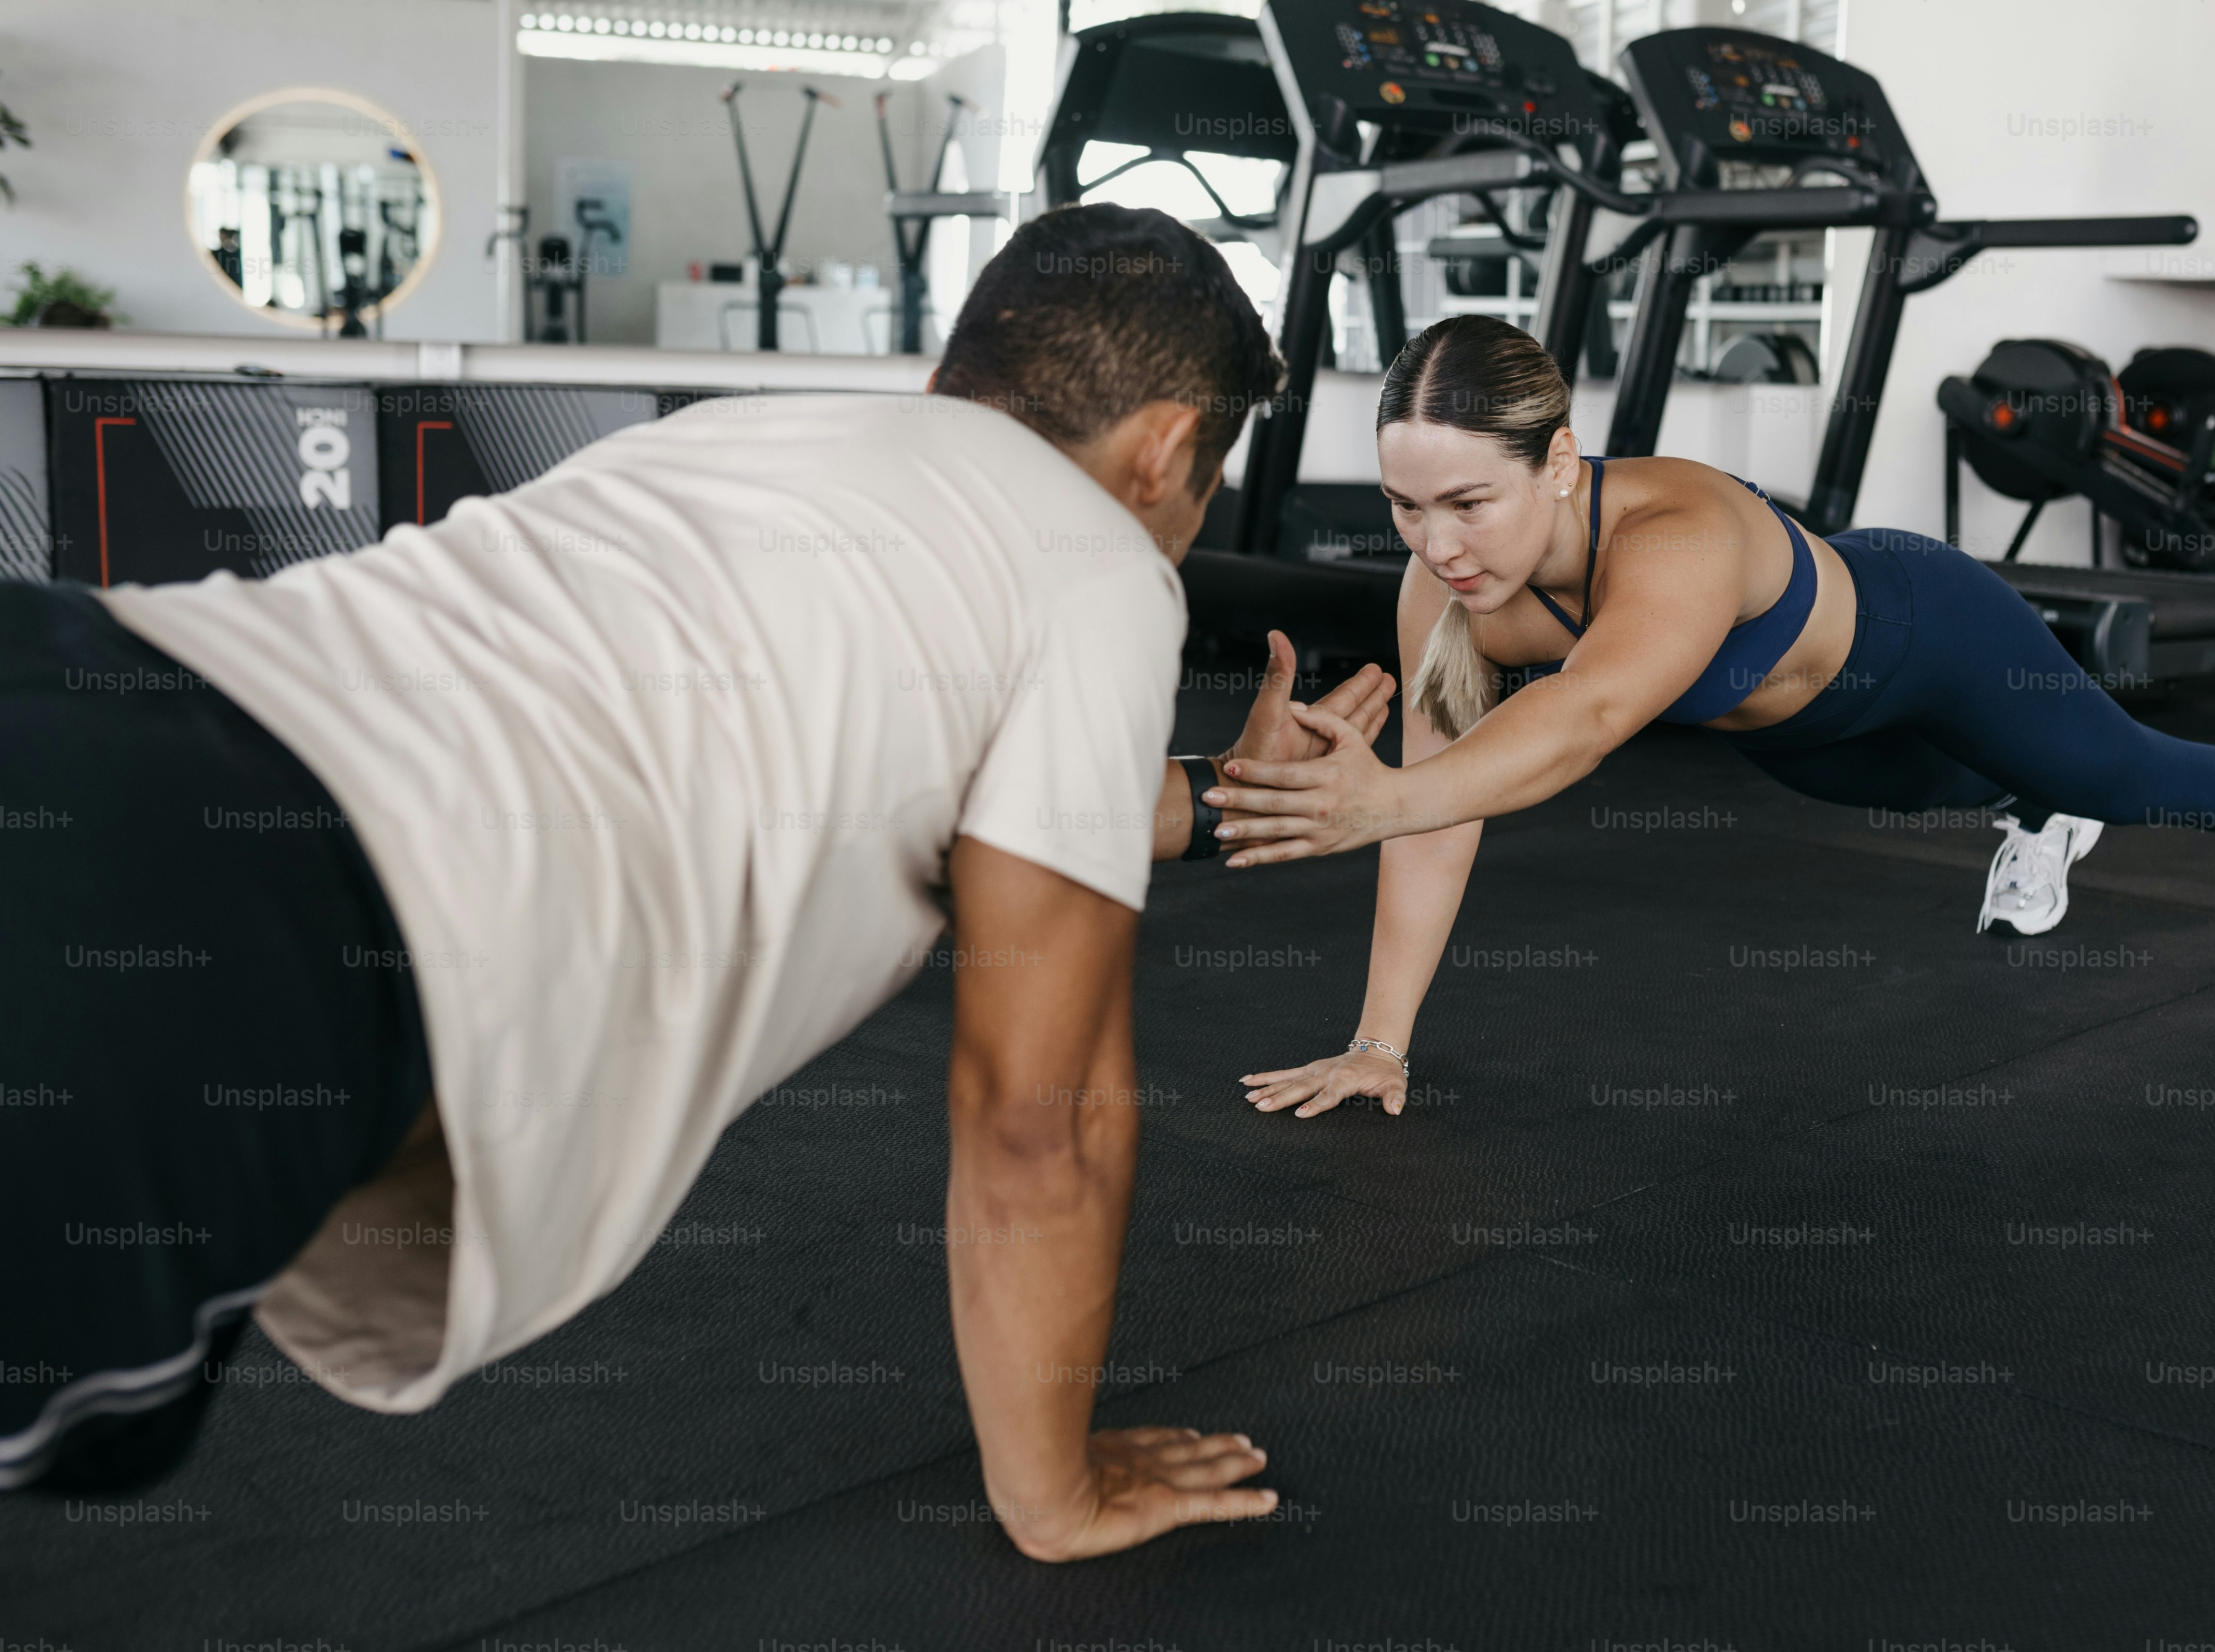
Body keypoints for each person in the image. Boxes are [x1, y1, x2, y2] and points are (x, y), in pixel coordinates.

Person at [1, 203, 1395, 1564]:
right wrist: (1057, 1488)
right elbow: (1044, 1116)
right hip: (206, 909)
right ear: (1164, 453)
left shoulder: (742, 437)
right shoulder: (1099, 565)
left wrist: (1221, 795)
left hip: (91, 679)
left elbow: (953, 793)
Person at [1215, 316, 2215, 1120]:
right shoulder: (1441, 591)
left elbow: (1583, 718)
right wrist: (1381, 1042)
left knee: (2120, 773)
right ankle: (2030, 812)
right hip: (1802, 741)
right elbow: (1445, 805)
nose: (1434, 543)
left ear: (1560, 462)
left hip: (1931, 635)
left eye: (1467, 501)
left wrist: (1380, 796)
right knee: (1961, 791)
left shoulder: (1675, 536)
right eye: (1403, 505)